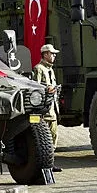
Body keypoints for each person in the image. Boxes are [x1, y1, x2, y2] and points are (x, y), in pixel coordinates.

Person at [33, 44, 62, 173]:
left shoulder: (50, 69)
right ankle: (43, 164)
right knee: (44, 139)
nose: (54, 56)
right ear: (45, 54)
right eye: (52, 53)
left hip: (52, 109)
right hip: (44, 111)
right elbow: (35, 87)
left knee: (53, 136)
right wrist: (47, 89)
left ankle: (50, 163)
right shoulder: (39, 69)